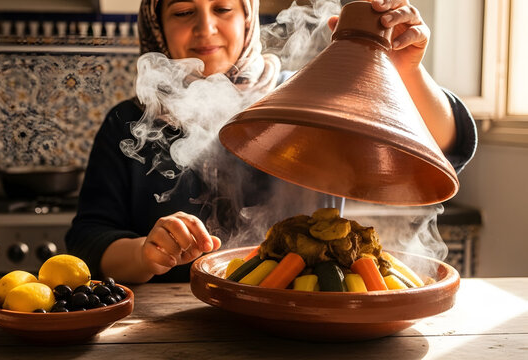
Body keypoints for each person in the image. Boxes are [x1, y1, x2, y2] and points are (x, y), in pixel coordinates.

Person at [65, 0, 477, 284]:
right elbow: (88, 239)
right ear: (157, 27)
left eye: (223, 8)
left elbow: (442, 148)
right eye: (183, 11)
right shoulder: (128, 123)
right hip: (167, 322)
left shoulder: (307, 99)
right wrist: (145, 254)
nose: (205, 27)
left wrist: (405, 70)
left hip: (304, 311)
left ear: (247, 18)